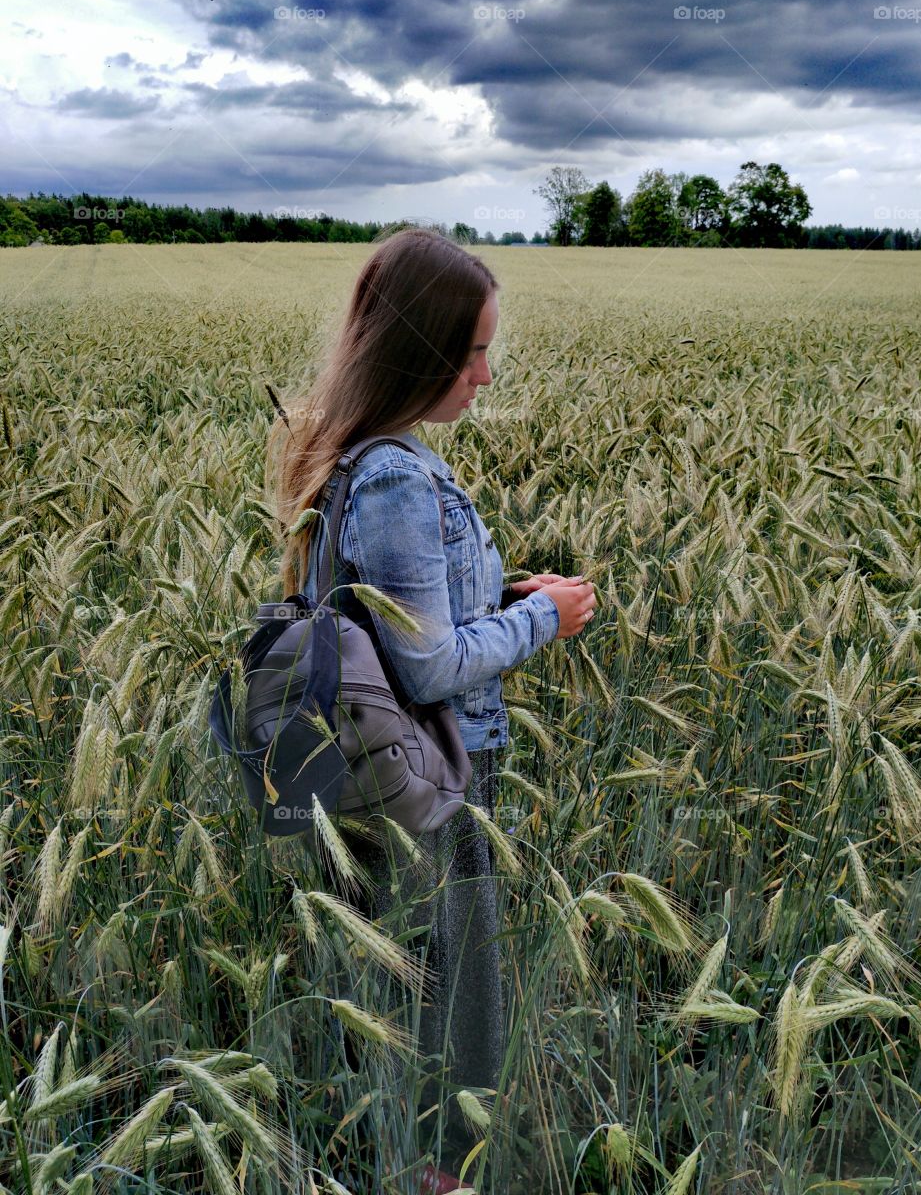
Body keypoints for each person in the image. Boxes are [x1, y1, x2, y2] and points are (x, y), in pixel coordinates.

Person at [265, 227, 596, 1192]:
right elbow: (428, 665)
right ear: (423, 351)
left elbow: (392, 620)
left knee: (403, 994)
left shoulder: (357, 450)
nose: (487, 375)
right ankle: (436, 1182)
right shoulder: (401, 475)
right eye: (476, 350)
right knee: (460, 1021)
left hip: (375, 770)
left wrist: (493, 600)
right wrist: (543, 617)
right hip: (435, 780)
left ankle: (396, 1164)